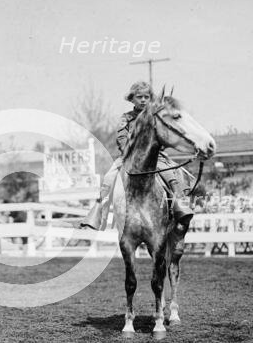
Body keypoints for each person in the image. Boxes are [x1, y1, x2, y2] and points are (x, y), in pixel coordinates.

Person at [80, 81, 194, 231]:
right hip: (129, 157)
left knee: (170, 173)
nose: (143, 100)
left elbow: (163, 135)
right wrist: (128, 151)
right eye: (139, 97)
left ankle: (179, 205)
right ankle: (98, 212)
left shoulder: (155, 117)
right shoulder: (126, 118)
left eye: (146, 97)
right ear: (132, 99)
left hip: (154, 157)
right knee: (109, 177)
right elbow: (121, 137)